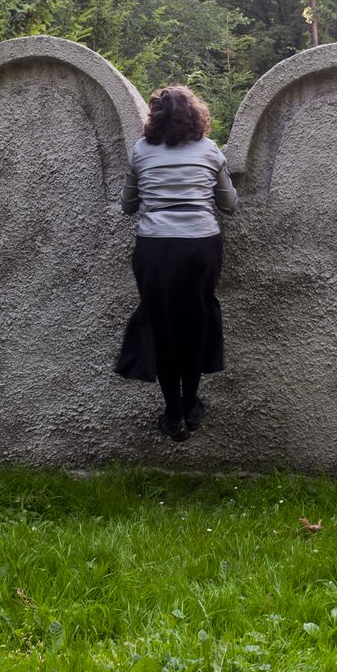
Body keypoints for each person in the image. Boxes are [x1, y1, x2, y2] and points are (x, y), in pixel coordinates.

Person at [115, 85, 238, 442]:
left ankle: (172, 413)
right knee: (196, 320)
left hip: (155, 249)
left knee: (161, 325)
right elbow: (230, 205)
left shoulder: (140, 151)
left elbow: (127, 205)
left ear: (154, 118)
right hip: (201, 247)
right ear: (195, 115)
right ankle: (192, 403)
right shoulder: (210, 151)